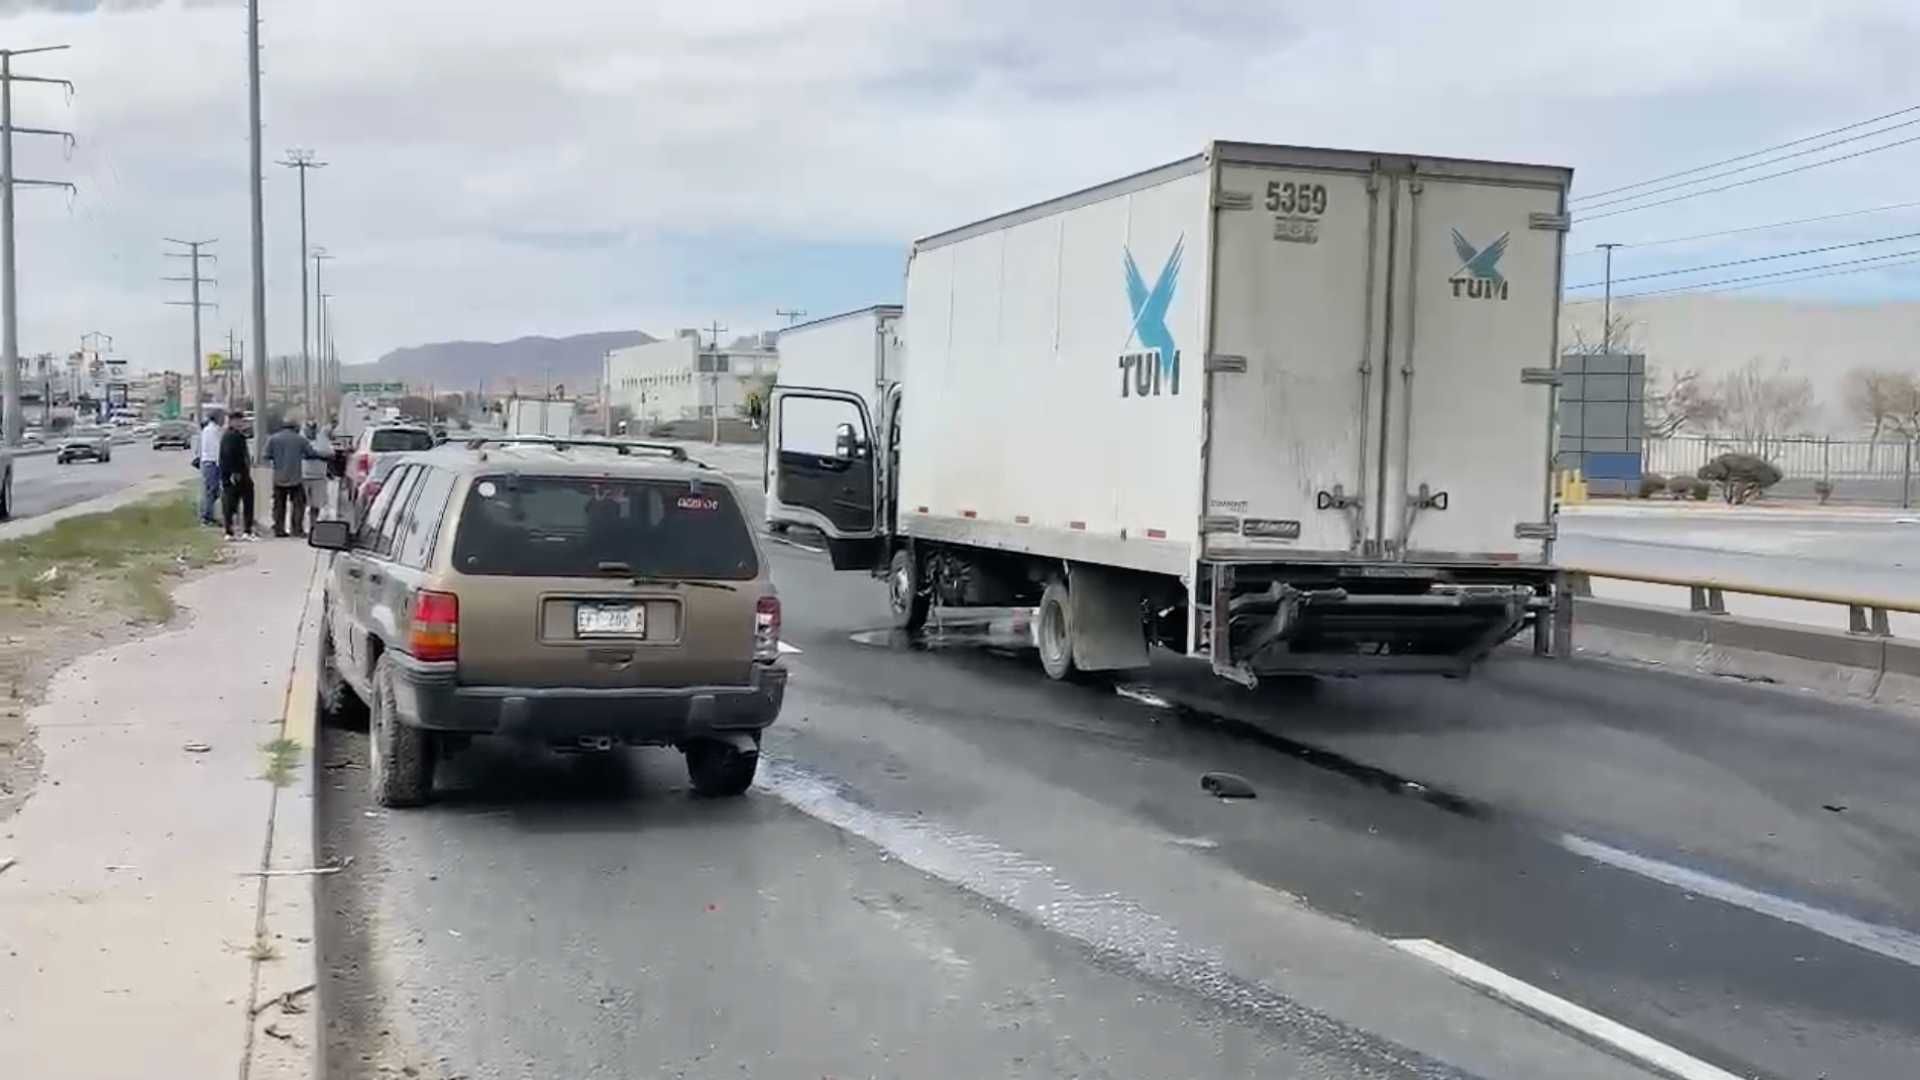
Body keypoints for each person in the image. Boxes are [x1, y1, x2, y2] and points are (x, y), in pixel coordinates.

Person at [264, 418, 329, 538]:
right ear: (295, 428)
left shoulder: (273, 439)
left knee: (279, 505)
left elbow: (266, 456)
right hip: (296, 477)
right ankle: (297, 530)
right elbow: (311, 453)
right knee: (298, 504)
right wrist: (326, 456)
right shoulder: (300, 440)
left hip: (279, 477)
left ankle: (279, 529)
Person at [219, 411, 257, 541]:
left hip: (237, 474)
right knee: (239, 502)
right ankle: (242, 530)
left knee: (234, 502)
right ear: (232, 421)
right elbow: (229, 456)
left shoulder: (234, 435)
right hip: (237, 474)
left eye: (242, 421)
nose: (241, 423)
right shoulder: (232, 436)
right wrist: (234, 472)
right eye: (238, 421)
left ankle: (233, 530)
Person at [300, 421, 333, 533]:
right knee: (301, 504)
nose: (311, 431)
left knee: (316, 504)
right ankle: (299, 528)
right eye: (309, 428)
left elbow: (330, 453)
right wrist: (316, 454)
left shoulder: (322, 439)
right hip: (302, 477)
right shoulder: (300, 439)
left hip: (318, 477)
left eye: (313, 428)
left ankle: (313, 527)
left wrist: (314, 454)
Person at [194, 410, 225, 526]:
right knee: (211, 491)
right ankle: (206, 516)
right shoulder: (212, 431)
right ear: (217, 418)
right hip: (212, 463)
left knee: (212, 491)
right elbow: (216, 449)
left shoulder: (209, 430)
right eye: (222, 417)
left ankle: (208, 514)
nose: (223, 420)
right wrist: (220, 463)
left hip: (208, 462)